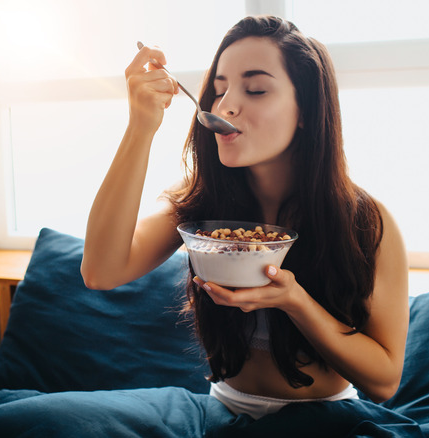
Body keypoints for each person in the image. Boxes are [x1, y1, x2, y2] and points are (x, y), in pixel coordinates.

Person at [81, 15, 408, 420]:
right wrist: (140, 128)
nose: (226, 105)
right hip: (220, 413)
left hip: (328, 417)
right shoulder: (203, 201)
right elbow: (100, 271)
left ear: (305, 109)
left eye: (255, 89)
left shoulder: (364, 221)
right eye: (219, 89)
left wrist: (295, 302)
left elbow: (385, 381)